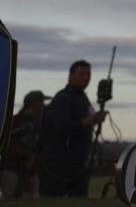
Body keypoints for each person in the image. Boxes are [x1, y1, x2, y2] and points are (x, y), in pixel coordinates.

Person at [37, 60, 106, 198]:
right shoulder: (63, 98)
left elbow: (85, 123)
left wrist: (96, 120)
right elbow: (62, 127)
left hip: (77, 164)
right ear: (70, 76)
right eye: (81, 74)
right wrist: (86, 122)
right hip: (57, 166)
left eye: (88, 74)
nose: (85, 77)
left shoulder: (83, 98)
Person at [0, 90, 48, 199]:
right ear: (34, 104)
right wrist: (26, 155)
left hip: (29, 171)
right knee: (9, 201)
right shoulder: (15, 121)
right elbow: (6, 145)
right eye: (41, 103)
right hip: (13, 169)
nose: (43, 106)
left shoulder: (34, 122)